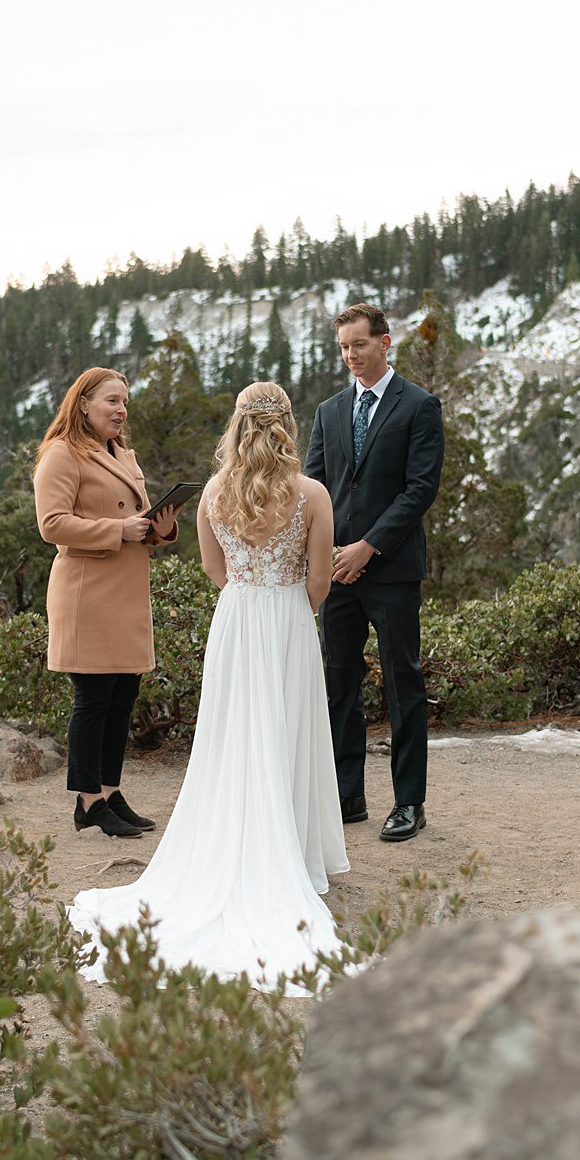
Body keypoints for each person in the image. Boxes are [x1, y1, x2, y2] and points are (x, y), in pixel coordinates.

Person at [69, 382, 349, 988]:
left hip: (237, 619)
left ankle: (238, 845)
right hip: (288, 619)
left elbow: (213, 570)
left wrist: (250, 598)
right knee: (289, 728)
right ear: (288, 427)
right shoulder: (312, 494)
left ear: (236, 426)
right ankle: (297, 855)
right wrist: (291, 611)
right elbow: (321, 577)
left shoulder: (215, 493)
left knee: (232, 738)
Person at [305, 302, 444, 843]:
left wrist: (369, 547)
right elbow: (313, 489)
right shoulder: (329, 411)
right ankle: (348, 796)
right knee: (338, 684)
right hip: (337, 571)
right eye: (343, 348)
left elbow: (419, 490)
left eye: (358, 345)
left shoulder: (420, 406)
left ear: (385, 343)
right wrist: (330, 553)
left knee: (402, 681)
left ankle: (409, 802)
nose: (350, 356)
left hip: (390, 569)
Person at [34, 367, 181, 839]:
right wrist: (117, 530)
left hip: (124, 589)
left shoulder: (121, 453)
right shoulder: (61, 453)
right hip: (88, 590)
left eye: (125, 403)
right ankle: (87, 800)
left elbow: (134, 520)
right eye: (112, 402)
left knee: (123, 697)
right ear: (83, 404)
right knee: (93, 698)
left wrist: (160, 527)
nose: (121, 411)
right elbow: (52, 524)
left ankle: (110, 791)